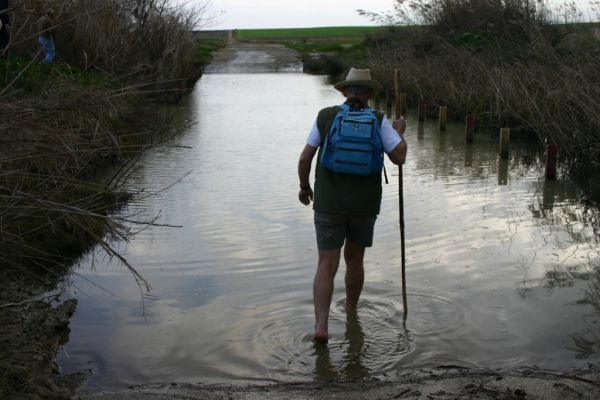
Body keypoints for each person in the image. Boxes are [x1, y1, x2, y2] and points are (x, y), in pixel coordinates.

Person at [297, 67, 407, 341]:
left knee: (327, 262)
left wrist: (304, 187)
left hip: (329, 203)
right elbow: (400, 158)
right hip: (364, 206)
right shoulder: (379, 120)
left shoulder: (326, 117)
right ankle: (351, 313)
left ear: (345, 92)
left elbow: (304, 159)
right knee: (355, 260)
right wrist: (400, 132)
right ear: (369, 94)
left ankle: (321, 326)